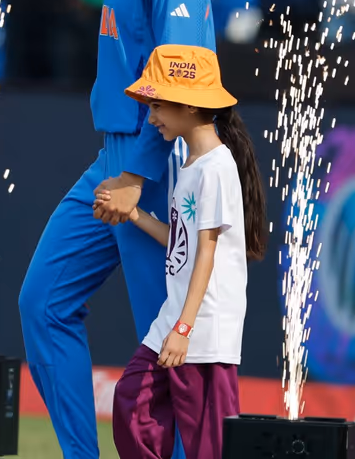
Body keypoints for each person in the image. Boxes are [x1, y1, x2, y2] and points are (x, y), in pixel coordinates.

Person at [18, 0, 238, 459]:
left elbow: (184, 84)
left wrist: (137, 175)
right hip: (116, 158)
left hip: (157, 166)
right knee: (43, 304)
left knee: (169, 346)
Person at [100, 44, 268, 459]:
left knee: (208, 447)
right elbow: (181, 241)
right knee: (131, 400)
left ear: (190, 106)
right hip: (176, 321)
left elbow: (206, 254)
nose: (151, 117)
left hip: (203, 330)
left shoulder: (216, 167)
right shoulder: (193, 165)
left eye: (157, 105)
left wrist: (185, 329)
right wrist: (134, 214)